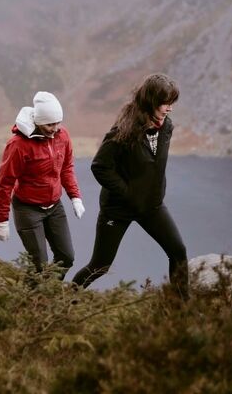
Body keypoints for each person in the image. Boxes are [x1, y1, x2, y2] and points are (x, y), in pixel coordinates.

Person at [72, 74, 188, 298]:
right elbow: (100, 166)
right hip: (119, 209)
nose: (170, 109)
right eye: (166, 103)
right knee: (100, 265)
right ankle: (64, 301)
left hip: (151, 206)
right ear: (151, 101)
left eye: (172, 103)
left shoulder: (166, 127)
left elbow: (152, 165)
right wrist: (128, 193)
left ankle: (182, 311)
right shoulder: (123, 131)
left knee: (178, 252)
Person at [0, 91, 85, 279]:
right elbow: (5, 183)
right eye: (49, 124)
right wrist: (2, 221)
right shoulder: (19, 145)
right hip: (28, 210)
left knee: (66, 258)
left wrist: (75, 197)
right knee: (40, 267)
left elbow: (66, 167)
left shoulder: (63, 135)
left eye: (57, 123)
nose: (54, 128)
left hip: (55, 207)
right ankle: (34, 301)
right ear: (38, 120)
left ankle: (45, 296)